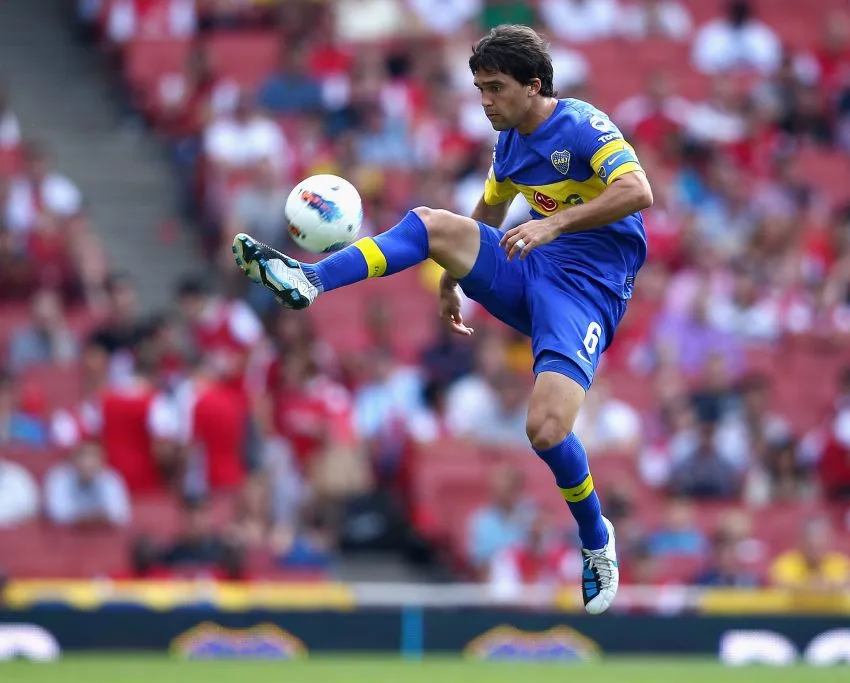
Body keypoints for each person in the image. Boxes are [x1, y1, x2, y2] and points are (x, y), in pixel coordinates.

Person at [233, 24, 653, 614]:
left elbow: (639, 191)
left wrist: (553, 223)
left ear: (534, 86)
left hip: (585, 293)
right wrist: (454, 278)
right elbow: (489, 212)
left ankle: (595, 537)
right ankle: (310, 278)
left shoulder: (582, 124)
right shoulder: (509, 144)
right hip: (530, 266)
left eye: (496, 88)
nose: (484, 101)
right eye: (479, 87)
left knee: (547, 430)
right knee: (432, 223)